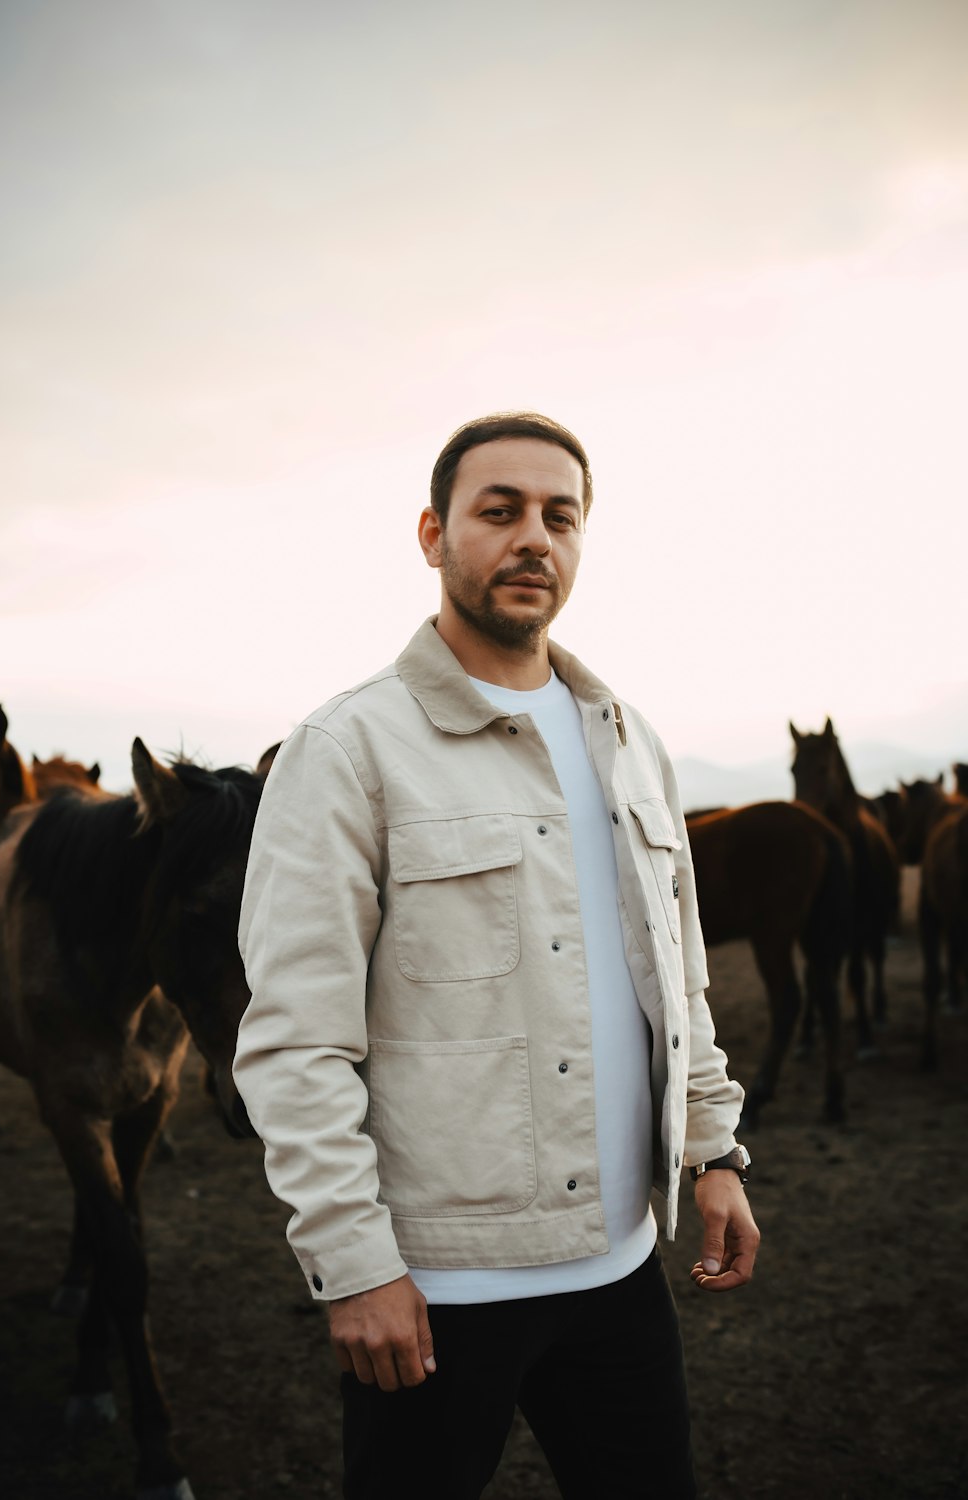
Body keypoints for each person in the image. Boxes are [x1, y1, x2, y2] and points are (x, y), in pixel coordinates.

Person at [234, 412, 760, 1499]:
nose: (535, 538)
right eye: (500, 510)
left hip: (621, 1271)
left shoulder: (629, 738)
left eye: (559, 517)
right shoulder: (348, 752)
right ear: (433, 536)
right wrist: (357, 1266)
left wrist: (713, 1154)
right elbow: (295, 1043)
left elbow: (680, 979)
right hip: (435, 1291)